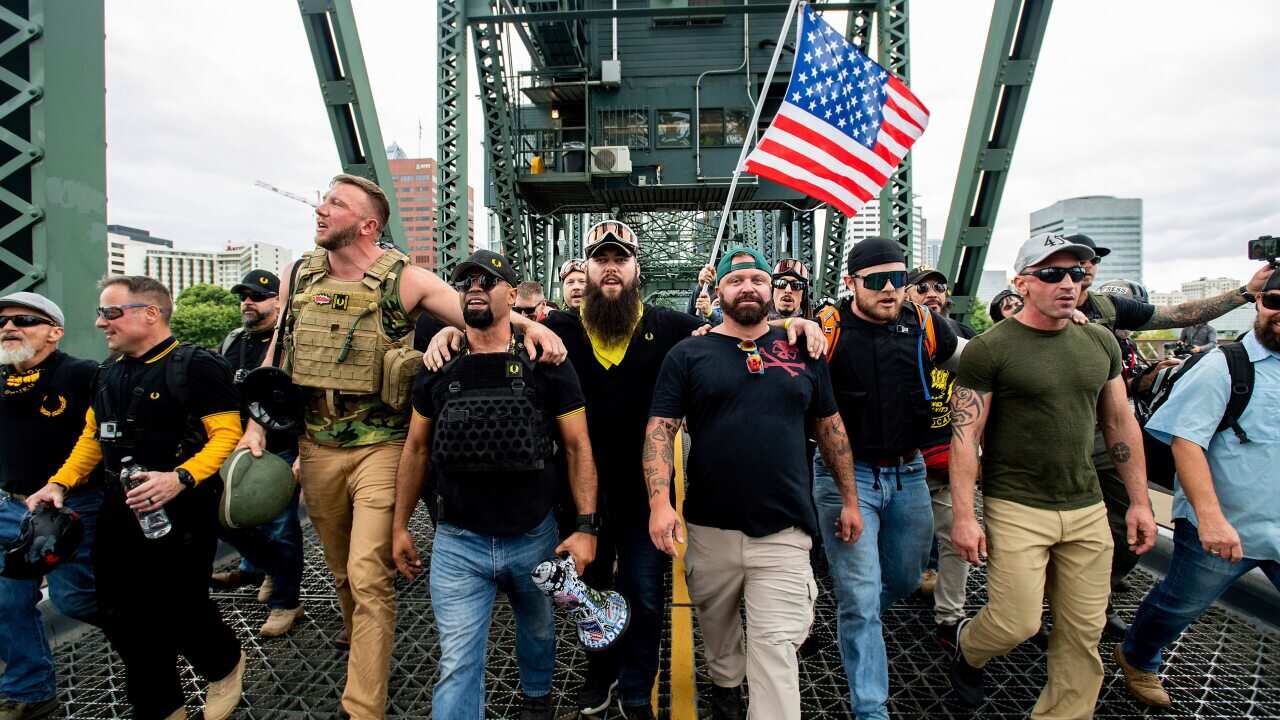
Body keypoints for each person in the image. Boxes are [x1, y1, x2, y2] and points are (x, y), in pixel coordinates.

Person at [236, 174, 565, 719]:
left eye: (335, 204)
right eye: (322, 199)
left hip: (380, 442)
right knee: (341, 570)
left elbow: (477, 313)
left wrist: (535, 328)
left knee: (368, 574)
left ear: (367, 225)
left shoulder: (404, 279)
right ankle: (355, 633)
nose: (320, 209)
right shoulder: (299, 272)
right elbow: (282, 343)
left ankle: (361, 705)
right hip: (316, 440)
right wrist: (257, 422)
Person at [946, 234, 1159, 717]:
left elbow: (1120, 423)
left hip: (1086, 507)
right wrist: (965, 516)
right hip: (1017, 504)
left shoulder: (1098, 340)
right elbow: (965, 434)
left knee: (1083, 632)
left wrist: (1140, 502)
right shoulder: (990, 349)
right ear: (1021, 282)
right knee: (1015, 622)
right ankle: (969, 647)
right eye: (1051, 274)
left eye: (1077, 274)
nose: (1068, 283)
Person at [645, 247, 861, 720]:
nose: (748, 287)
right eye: (736, 279)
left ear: (771, 290)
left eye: (758, 279)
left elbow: (830, 426)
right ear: (717, 290)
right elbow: (661, 428)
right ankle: (725, 686)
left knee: (776, 650)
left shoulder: (803, 348)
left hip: (784, 530)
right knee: (718, 633)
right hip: (710, 528)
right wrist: (660, 503)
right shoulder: (689, 353)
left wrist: (850, 500)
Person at [26, 276, 246, 720]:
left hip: (183, 509)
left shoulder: (195, 365)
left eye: (111, 312)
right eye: (101, 313)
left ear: (151, 313)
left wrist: (180, 477)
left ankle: (224, 663)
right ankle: (161, 704)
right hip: (119, 508)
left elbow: (227, 434)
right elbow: (94, 436)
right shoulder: (108, 371)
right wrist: (59, 483)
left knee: (182, 607)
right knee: (121, 613)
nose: (100, 322)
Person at [392, 250, 598, 720]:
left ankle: (537, 699)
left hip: (533, 534)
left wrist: (586, 525)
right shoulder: (439, 362)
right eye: (465, 283)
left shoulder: (546, 362)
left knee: (539, 631)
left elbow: (578, 447)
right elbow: (416, 450)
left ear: (511, 291)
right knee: (458, 660)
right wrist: (399, 525)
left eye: (489, 280)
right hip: (457, 541)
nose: (475, 289)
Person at [1066, 232, 1275, 639]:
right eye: (1070, 263)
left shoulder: (1108, 308)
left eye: (1089, 261)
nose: (1084, 268)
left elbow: (1177, 314)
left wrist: (1244, 294)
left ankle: (1096, 605)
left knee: (1127, 522)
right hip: (1047, 438)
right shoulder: (1031, 308)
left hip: (1102, 433)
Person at [813, 238, 964, 720]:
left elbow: (979, 356)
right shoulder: (828, 328)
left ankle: (854, 613)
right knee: (859, 596)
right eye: (876, 281)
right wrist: (794, 323)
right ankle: (871, 708)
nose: (889, 290)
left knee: (903, 575)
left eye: (899, 279)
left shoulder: (923, 323)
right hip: (845, 476)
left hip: (909, 471)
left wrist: (1054, 323)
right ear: (851, 283)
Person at [1113, 273, 1280, 708]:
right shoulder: (1226, 364)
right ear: (1259, 302)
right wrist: (1210, 518)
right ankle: (1138, 657)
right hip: (1227, 524)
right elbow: (1186, 439)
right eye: (1276, 300)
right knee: (1178, 606)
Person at [0, 293, 101, 720]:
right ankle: (31, 689)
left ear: (54, 332)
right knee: (5, 601)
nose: (8, 328)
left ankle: (169, 630)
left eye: (23, 320)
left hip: (70, 506)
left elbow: (109, 436)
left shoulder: (83, 374)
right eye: (1, 322)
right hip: (11, 507)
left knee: (75, 599)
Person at [211, 269, 305, 638]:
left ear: (278, 303)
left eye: (257, 296)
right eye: (243, 296)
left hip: (282, 446)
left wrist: (303, 454)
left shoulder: (293, 342)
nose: (247, 302)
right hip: (238, 446)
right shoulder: (233, 342)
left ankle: (286, 600)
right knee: (234, 516)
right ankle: (255, 570)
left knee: (280, 526)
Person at [904, 267, 977, 648]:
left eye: (939, 287)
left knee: (954, 539)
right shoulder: (897, 335)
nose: (933, 293)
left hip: (944, 455)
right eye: (922, 287)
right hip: (900, 460)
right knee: (903, 544)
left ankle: (950, 617)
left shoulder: (964, 337)